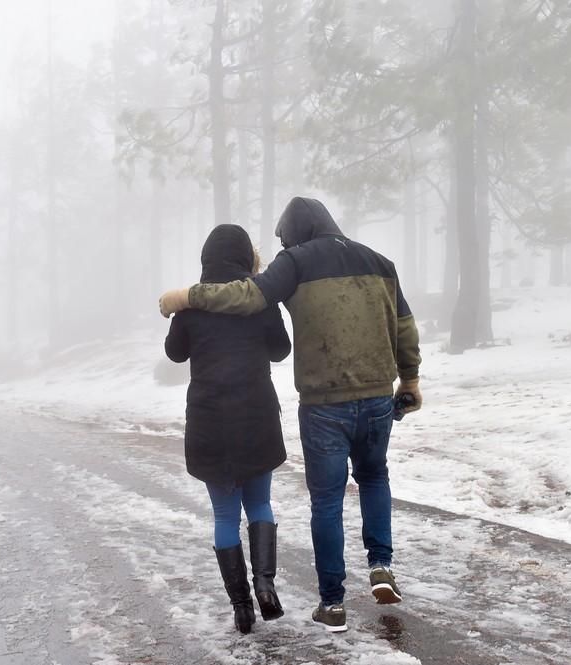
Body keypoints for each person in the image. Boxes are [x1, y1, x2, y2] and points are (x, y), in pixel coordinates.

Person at [159, 197, 422, 633]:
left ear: (295, 233)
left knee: (323, 500)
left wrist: (187, 298)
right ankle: (380, 566)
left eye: (284, 237)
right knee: (374, 477)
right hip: (374, 397)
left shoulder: (294, 261)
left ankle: (328, 603)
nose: (281, 244)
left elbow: (246, 297)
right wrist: (409, 381)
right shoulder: (380, 262)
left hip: (319, 404)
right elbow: (404, 325)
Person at [164, 224, 292, 635]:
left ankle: (241, 606)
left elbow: (174, 353)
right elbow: (281, 349)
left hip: (209, 421)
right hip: (256, 415)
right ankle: (266, 586)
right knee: (260, 505)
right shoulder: (259, 302)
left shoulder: (190, 307)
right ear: (244, 259)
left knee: (224, 515)